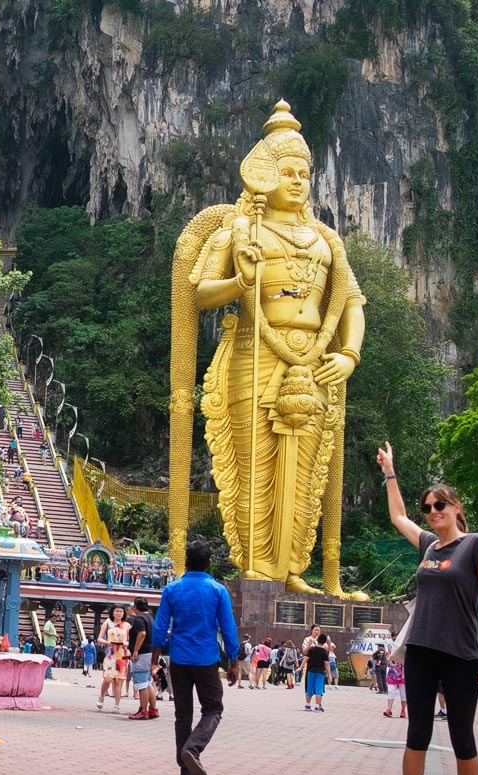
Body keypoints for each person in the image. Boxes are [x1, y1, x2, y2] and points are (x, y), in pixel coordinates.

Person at [170, 100, 366, 598]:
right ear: (264, 175)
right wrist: (240, 278)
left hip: (316, 361)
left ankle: (293, 568)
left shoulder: (327, 240)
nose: (298, 181)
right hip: (254, 354)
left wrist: (348, 354)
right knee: (254, 462)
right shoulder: (241, 229)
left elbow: (350, 303)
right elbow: (199, 293)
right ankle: (257, 566)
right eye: (286, 171)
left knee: (306, 471)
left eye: (305, 172)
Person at [377, 441, 478, 775]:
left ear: (456, 507)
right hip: (422, 650)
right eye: (428, 507)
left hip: (463, 653)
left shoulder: (475, 545)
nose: (432, 512)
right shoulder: (428, 546)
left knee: (463, 736)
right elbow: (398, 516)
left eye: (439, 506)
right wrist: (390, 471)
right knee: (417, 734)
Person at [152, 540, 239, 775]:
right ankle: (194, 748)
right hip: (206, 658)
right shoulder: (218, 590)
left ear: (187, 562)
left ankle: (185, 772)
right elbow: (228, 627)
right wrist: (233, 660)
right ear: (209, 563)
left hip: (179, 658)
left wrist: (155, 662)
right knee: (213, 709)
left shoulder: (172, 589)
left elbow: (160, 627)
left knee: (183, 716)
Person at [127, 597, 159, 720]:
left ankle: (143, 710)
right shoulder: (150, 617)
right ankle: (153, 709)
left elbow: (142, 634)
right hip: (150, 652)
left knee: (141, 685)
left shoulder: (139, 618)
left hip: (142, 654)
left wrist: (135, 651)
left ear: (135, 606)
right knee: (147, 683)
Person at [96, 606, 131, 712]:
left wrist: (126, 643)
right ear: (112, 612)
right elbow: (99, 638)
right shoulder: (107, 623)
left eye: (121, 611)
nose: (119, 613)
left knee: (119, 681)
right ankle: (102, 696)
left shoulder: (127, 625)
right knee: (108, 679)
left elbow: (130, 641)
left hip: (122, 655)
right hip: (110, 654)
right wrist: (107, 642)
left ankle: (117, 705)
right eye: (117, 611)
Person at [302, 633, 329, 712]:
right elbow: (326, 663)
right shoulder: (324, 652)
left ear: (317, 640)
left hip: (311, 671)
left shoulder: (312, 649)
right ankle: (317, 706)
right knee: (319, 689)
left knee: (309, 688)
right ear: (324, 642)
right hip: (320, 672)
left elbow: (306, 658)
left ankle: (307, 705)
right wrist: (329, 674)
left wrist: (300, 667)